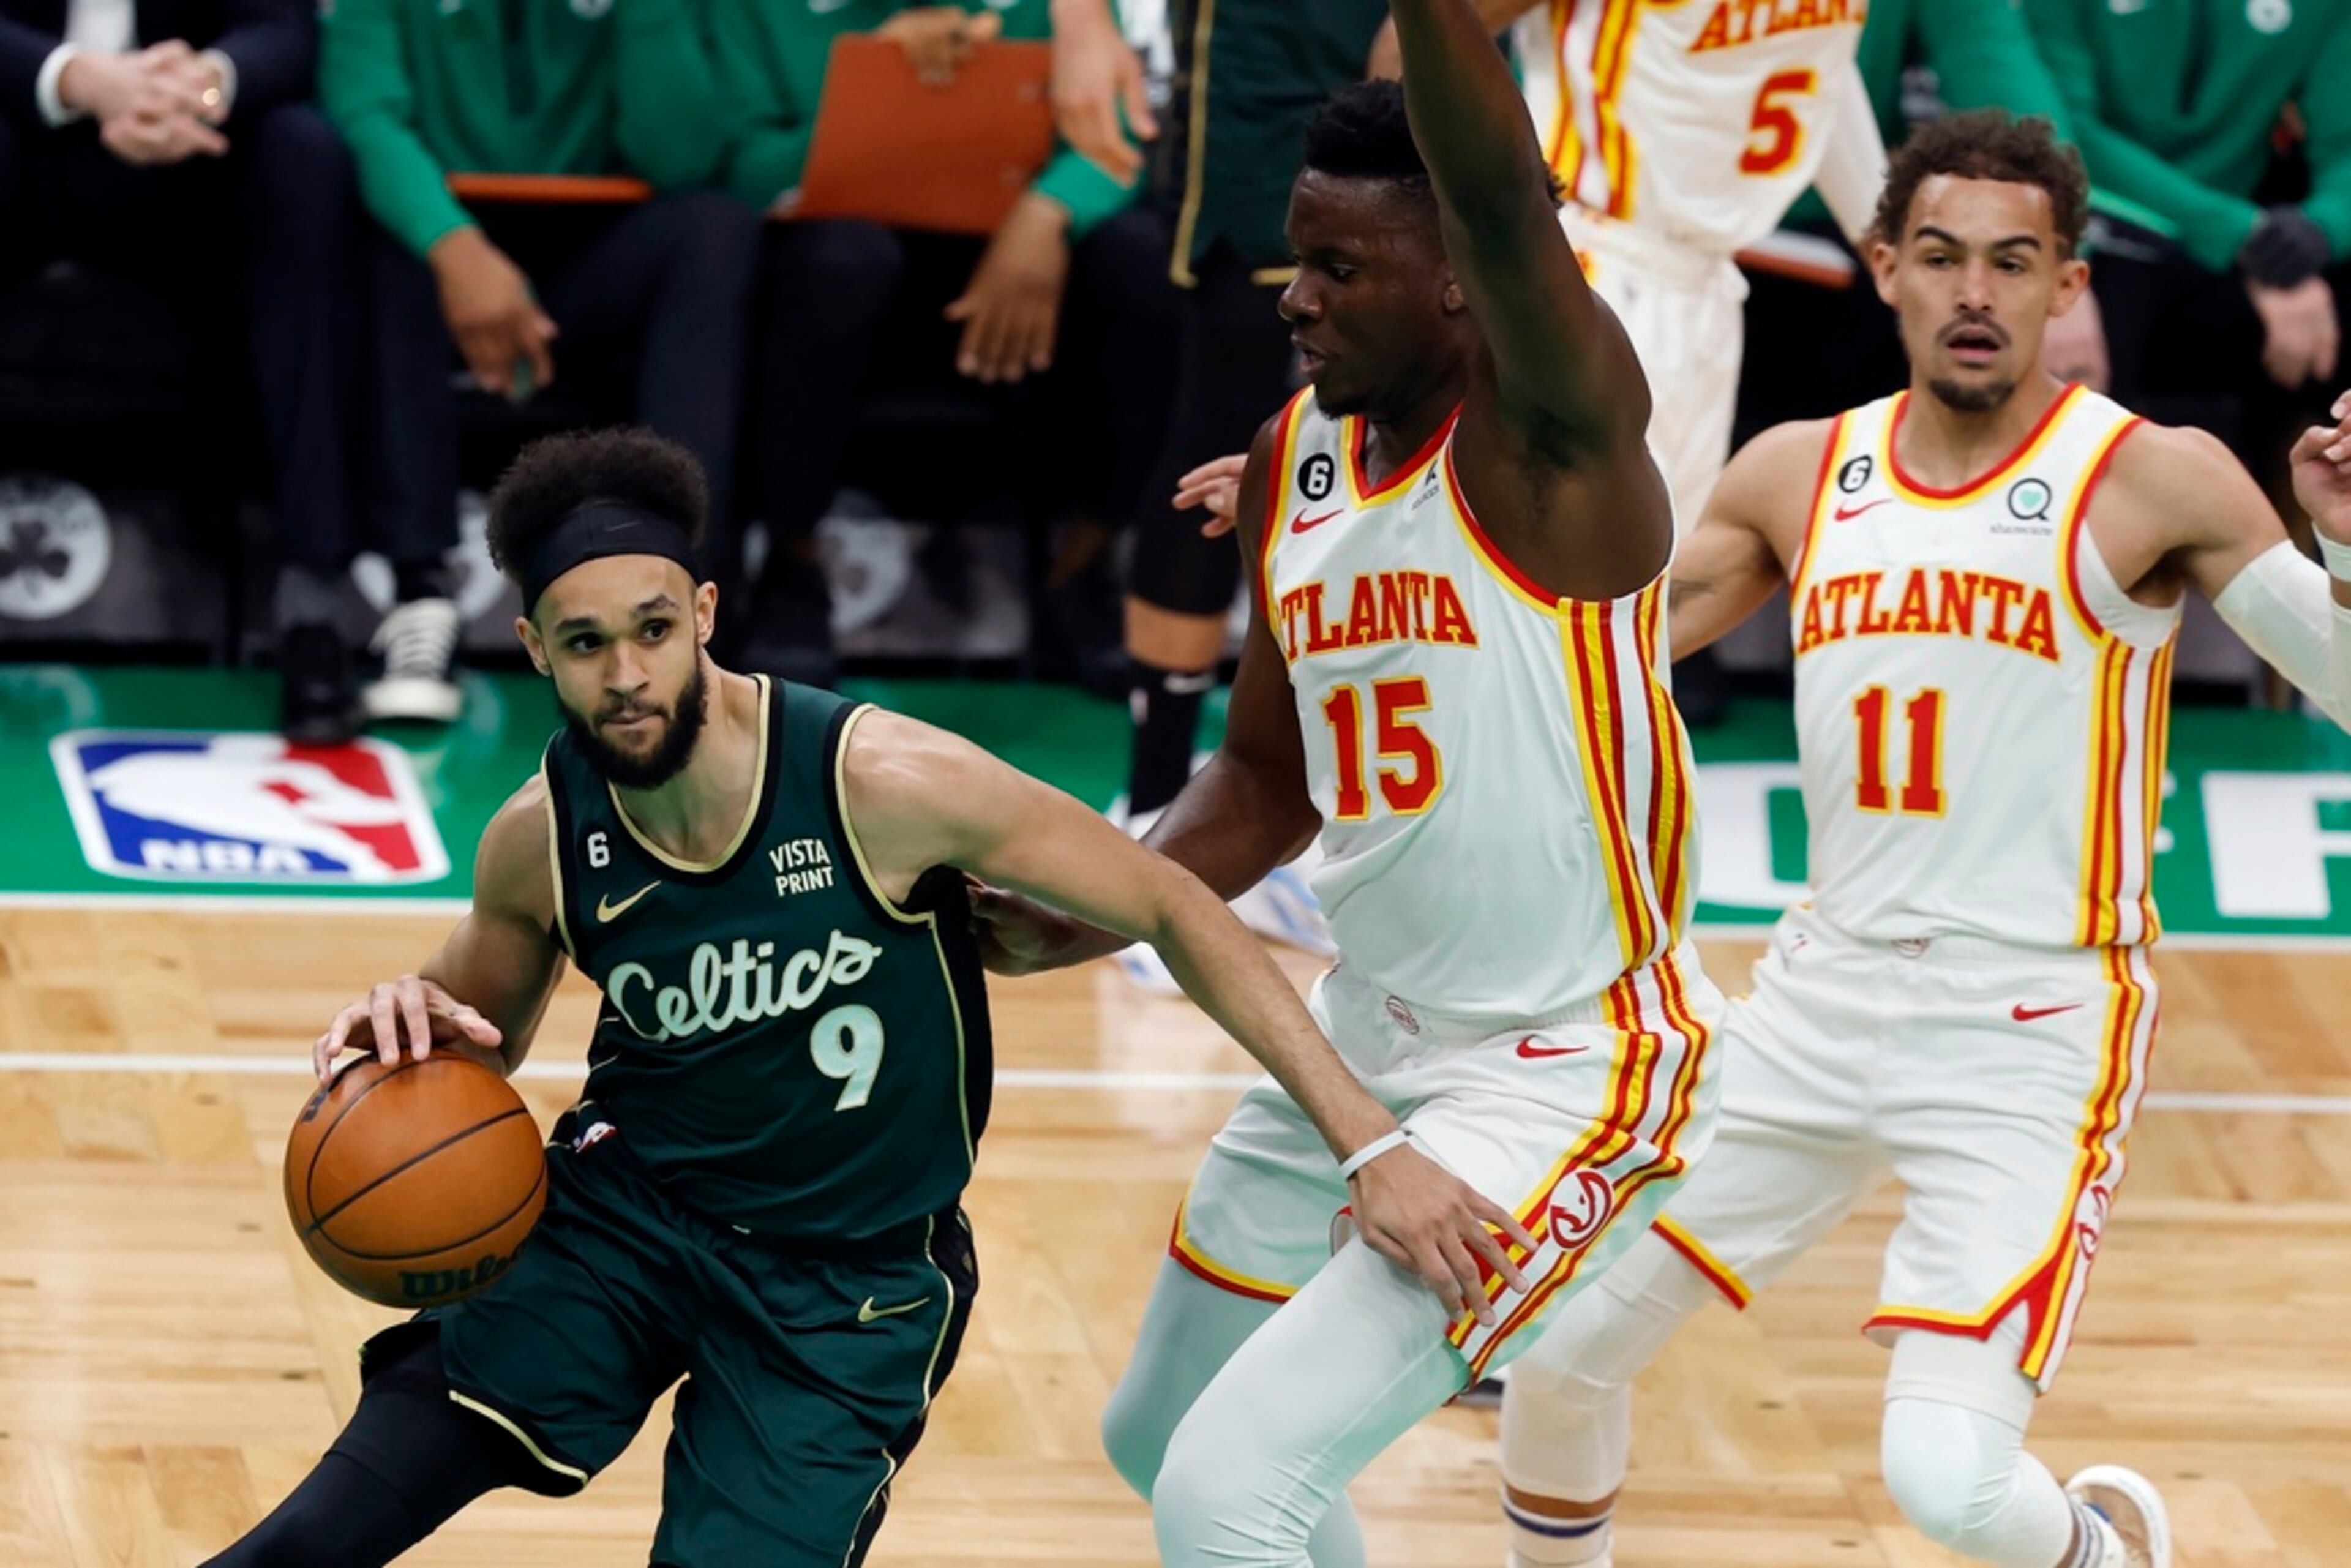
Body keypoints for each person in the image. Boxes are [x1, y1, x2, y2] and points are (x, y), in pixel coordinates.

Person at [196, 426, 1521, 1568]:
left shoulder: (883, 777)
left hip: (849, 1290)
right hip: (628, 1224)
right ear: (534, 643)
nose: (628, 674)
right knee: (308, 1538)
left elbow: (1171, 900)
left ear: (706, 610)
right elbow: (471, 1026)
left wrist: (1375, 1142)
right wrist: (408, 1016)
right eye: (587, 642)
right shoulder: (541, 832)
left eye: (654, 629)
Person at [1495, 110, 2351, 1568]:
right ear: (1880, 266)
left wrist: (2336, 544)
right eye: (1941, 257)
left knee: (1944, 1481)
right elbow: (1578, 660)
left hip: (2027, 1026)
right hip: (1811, 1002)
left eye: (2011, 263)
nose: (1974, 292)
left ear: (2063, 288)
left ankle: (2099, 1553)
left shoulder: (2154, 475)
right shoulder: (1792, 470)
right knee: (1552, 1353)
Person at [976, 0, 1724, 1556]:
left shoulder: (1552, 441)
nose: (1293, 296)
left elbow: (1511, 201)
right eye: (1294, 257)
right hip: (1366, 1037)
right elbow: (1258, 777)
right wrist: (1078, 915)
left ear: (1459, 282)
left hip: (1563, 1066)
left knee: (1226, 1487)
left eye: (1338, 268)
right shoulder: (1296, 460)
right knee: (1156, 1436)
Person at [317, 0, 760, 735]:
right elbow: (364, 118)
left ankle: (680, 599)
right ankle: (418, 596)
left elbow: (681, 157)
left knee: (715, 230)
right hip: (433, 239)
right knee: (376, 233)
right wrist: (454, 248)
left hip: (585, 253)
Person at [710, 0, 1175, 691]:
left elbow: (1119, 140)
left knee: (1143, 256)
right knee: (839, 263)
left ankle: (1081, 573)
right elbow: (743, 171)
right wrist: (880, 82)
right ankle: (792, 569)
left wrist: (1049, 213)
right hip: (853, 285)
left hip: (1018, 288)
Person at [0, 0, 369, 742]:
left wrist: (204, 82)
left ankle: (313, 612)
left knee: (306, 152)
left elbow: (288, 30)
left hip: (193, 147)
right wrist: (78, 79)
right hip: (25, 134)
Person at [2024, 0, 2348, 473]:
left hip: (2244, 238)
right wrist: (2244, 236)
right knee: (2086, 310)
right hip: (2098, 223)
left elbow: (2345, 148)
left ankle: (2326, 537)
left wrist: (2316, 231)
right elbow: (2066, 135)